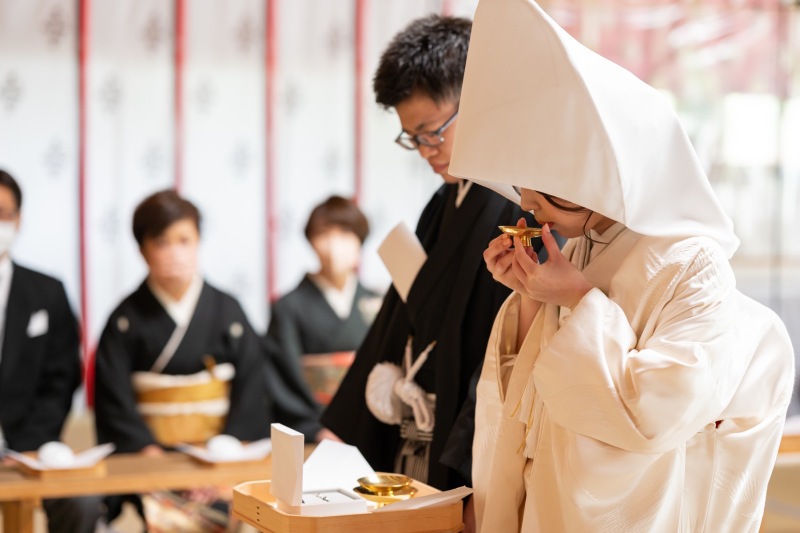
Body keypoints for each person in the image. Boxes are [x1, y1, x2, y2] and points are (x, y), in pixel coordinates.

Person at [447, 1, 795, 531]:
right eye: (528, 193)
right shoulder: (584, 241)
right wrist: (527, 297)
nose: (530, 211)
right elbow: (526, 403)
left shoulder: (692, 264)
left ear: (614, 183)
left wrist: (577, 302)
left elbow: (657, 413)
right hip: (552, 495)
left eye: (552, 198)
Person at [321, 14, 546, 493]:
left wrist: (473, 469)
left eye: (431, 131)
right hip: (419, 435)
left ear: (478, 100)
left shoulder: (522, 205)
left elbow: (509, 350)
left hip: (470, 450)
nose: (424, 150)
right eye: (413, 138)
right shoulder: (444, 203)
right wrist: (342, 430)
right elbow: (398, 319)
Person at [93, 189, 268, 526]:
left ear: (199, 241)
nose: (175, 252)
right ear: (142, 250)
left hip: (224, 459)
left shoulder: (229, 311)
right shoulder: (124, 320)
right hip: (152, 459)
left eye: (184, 240)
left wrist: (223, 467)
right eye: (161, 242)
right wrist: (159, 463)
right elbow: (114, 403)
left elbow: (252, 387)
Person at [0, 169, 102, 533]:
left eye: (3, 213)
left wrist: (24, 447)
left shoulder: (47, 292)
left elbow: (62, 380)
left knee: (84, 502)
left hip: (32, 449)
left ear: (18, 219)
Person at [265, 195, 380, 442]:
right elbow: (284, 377)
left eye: (345, 233)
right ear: (311, 242)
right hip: (317, 432)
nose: (333, 244)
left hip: (370, 425)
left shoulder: (377, 302)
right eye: (323, 233)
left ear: (360, 240)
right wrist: (315, 428)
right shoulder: (288, 307)